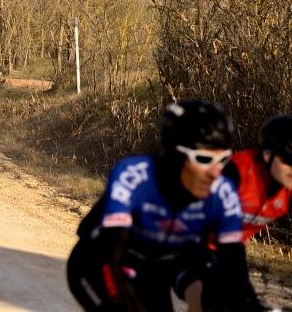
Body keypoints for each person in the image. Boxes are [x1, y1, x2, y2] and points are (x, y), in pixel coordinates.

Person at [66, 100, 259, 312]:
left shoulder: (223, 192)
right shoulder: (134, 176)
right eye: (204, 159)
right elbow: (108, 251)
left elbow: (234, 267)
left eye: (223, 160)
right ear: (176, 155)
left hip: (152, 269)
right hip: (98, 264)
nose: (215, 173)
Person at [180, 115, 292, 310]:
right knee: (205, 293)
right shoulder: (235, 175)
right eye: (288, 160)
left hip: (219, 244)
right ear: (267, 154)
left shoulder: (287, 185)